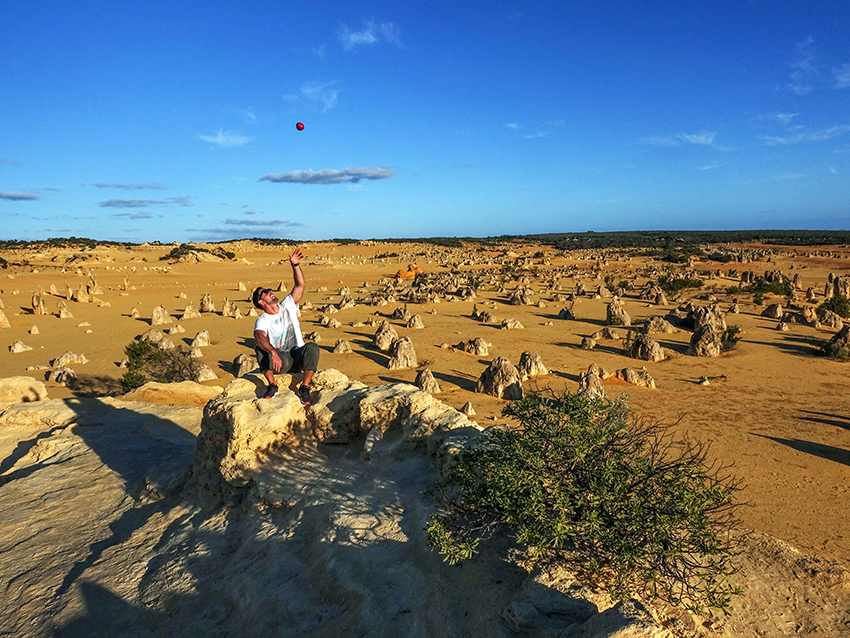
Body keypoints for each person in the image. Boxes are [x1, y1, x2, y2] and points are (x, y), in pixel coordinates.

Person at [252, 247, 320, 404]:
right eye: (266, 292)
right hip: (282, 361)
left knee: (312, 347)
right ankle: (272, 385)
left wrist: (295, 265)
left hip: (299, 357)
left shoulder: (287, 304)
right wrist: (273, 352)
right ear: (261, 302)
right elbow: (259, 337)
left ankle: (304, 387)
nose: (271, 292)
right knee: (260, 349)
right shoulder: (263, 320)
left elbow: (300, 285)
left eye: (270, 290)